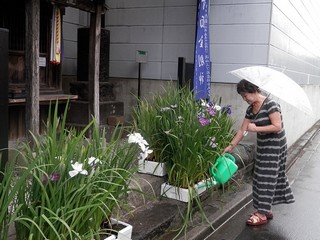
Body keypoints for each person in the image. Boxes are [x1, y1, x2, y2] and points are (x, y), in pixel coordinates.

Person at [223, 79, 295, 226]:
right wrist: (231, 146)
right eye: (242, 97)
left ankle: (261, 213)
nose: (245, 99)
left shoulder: (271, 105)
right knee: (258, 177)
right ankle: (265, 209)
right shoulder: (251, 108)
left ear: (254, 90)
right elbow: (242, 129)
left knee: (266, 178)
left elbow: (277, 126)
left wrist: (256, 129)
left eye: (246, 95)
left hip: (275, 146)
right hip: (263, 146)